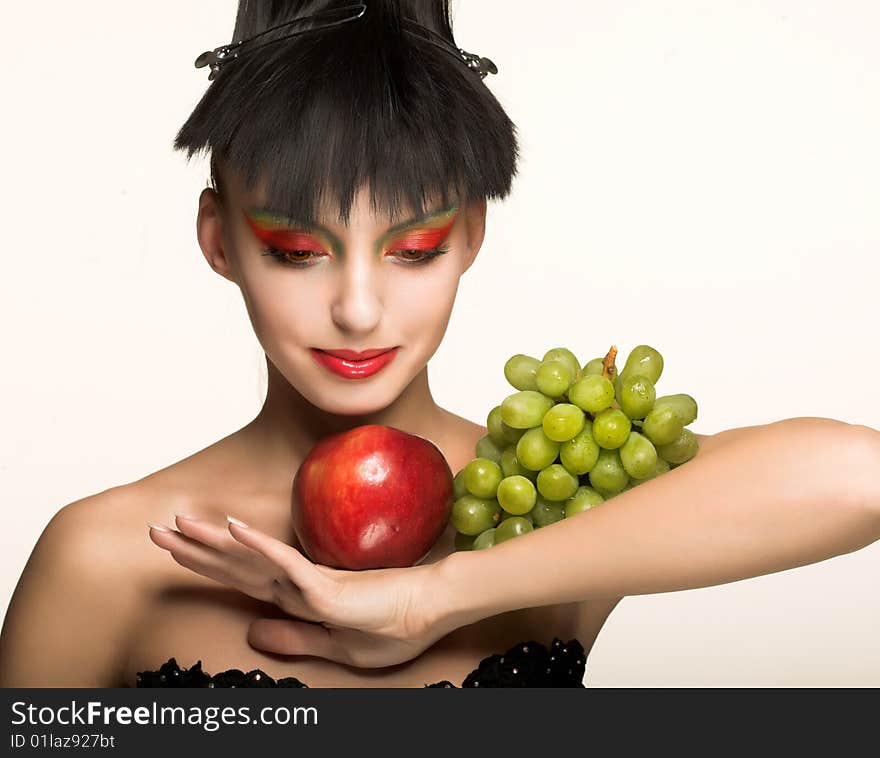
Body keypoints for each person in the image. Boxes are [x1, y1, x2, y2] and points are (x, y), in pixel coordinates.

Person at [1, 0, 878, 688]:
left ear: (468, 237)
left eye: (413, 251)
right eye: (297, 252)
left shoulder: (547, 506)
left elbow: (861, 477)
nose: (357, 309)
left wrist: (435, 596)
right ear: (220, 239)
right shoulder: (112, 556)